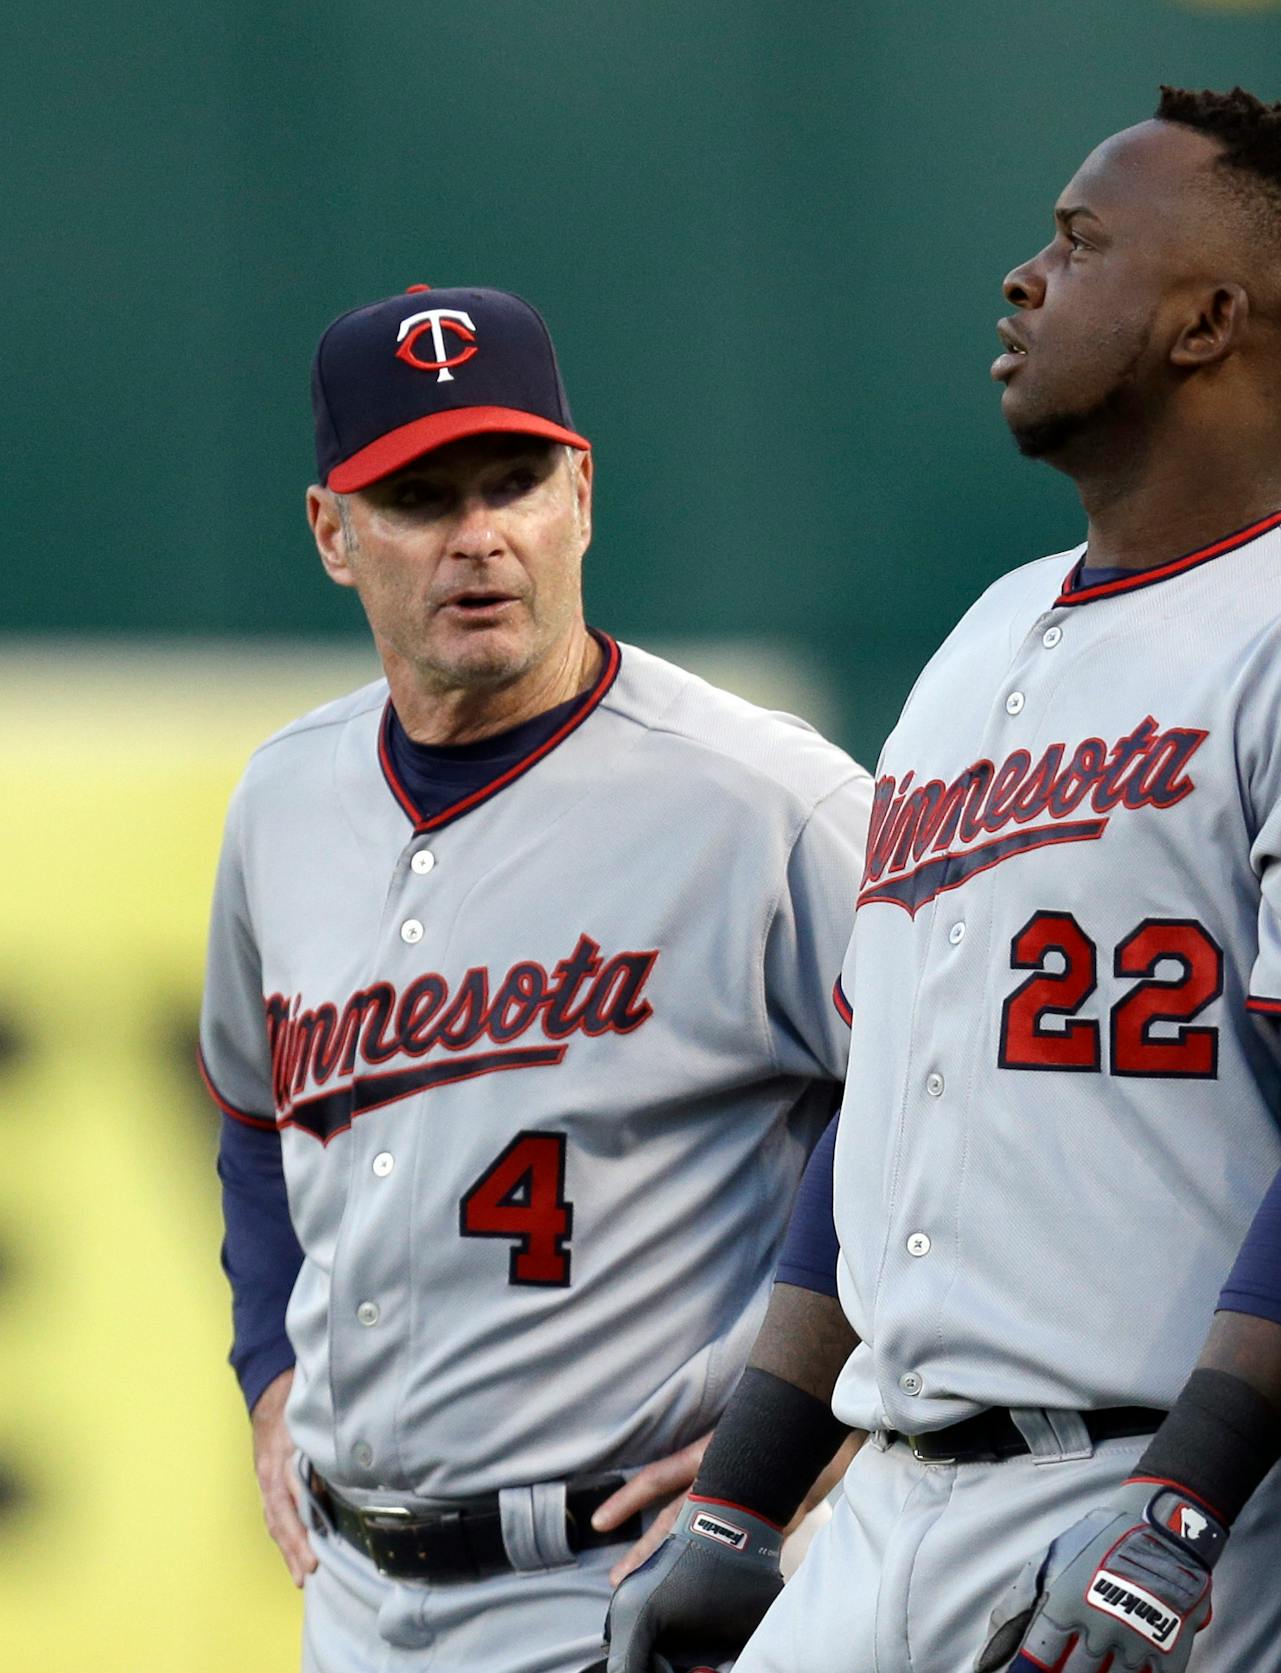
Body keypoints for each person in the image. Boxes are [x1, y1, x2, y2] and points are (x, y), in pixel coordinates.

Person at [602, 88, 1281, 1673]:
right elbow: (884, 1105)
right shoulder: (987, 636)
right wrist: (742, 1498)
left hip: (1179, 1495)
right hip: (893, 1493)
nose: (1025, 277)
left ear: (1207, 321)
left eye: (1082, 243)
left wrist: (1181, 1502)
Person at [199, 283, 869, 1672]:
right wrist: (268, 1364)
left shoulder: (764, 800)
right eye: (419, 496)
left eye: (514, 480)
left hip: (628, 1587)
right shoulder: (282, 802)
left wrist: (822, 1432)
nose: (478, 535)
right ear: (333, 533)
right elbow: (256, 1121)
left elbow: (956, 1107)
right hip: (354, 1595)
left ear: (582, 492)